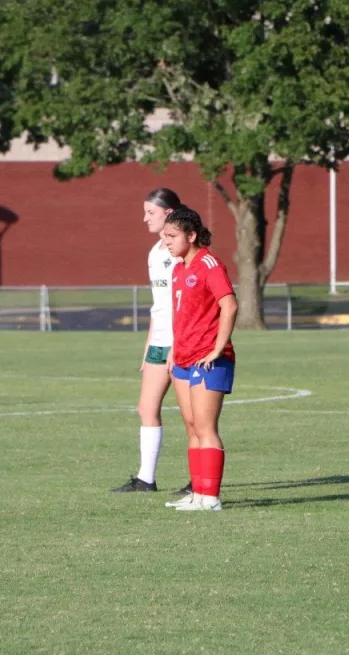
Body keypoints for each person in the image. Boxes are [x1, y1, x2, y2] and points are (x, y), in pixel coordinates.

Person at [111, 188, 191, 495]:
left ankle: (199, 480)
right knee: (146, 407)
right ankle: (146, 479)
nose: (145, 218)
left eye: (150, 212)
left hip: (183, 342)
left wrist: (179, 343)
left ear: (168, 213)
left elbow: (189, 302)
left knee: (192, 416)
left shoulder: (182, 250)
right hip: (160, 341)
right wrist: (149, 343)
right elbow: (160, 305)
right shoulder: (155, 253)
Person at [161, 206, 237, 512]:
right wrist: (173, 348)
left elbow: (229, 305)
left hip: (208, 359)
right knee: (192, 428)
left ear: (191, 235)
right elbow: (182, 314)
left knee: (206, 429)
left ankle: (211, 498)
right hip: (183, 357)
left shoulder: (209, 264)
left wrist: (217, 349)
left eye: (172, 235)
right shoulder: (178, 269)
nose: (166, 241)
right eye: (165, 236)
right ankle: (198, 493)